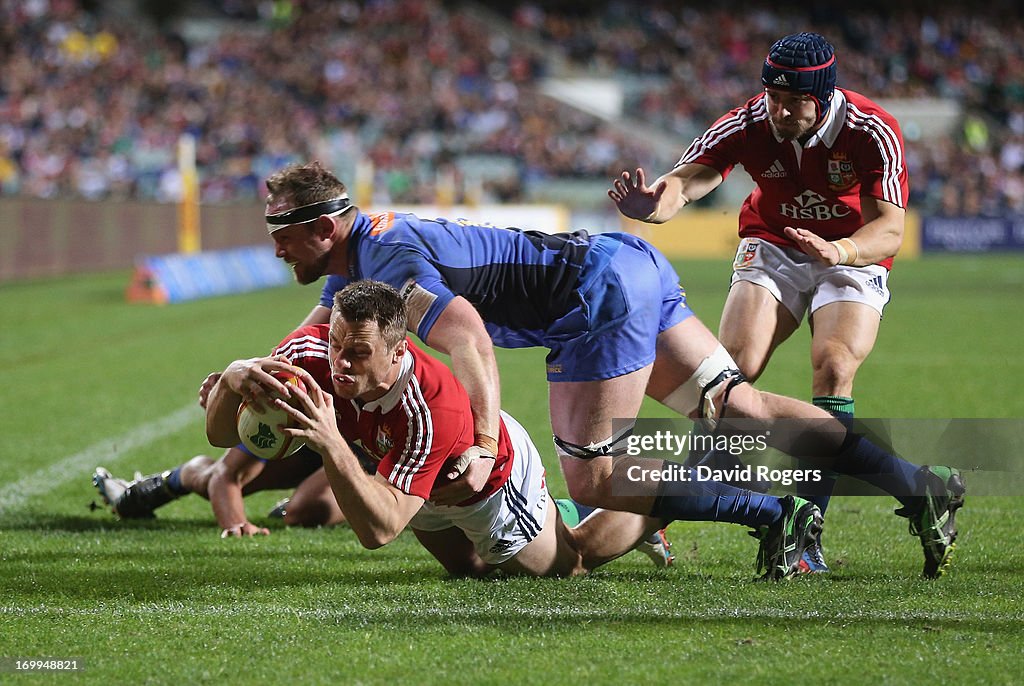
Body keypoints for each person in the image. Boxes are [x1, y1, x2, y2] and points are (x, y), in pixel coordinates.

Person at [259, 160, 962, 579]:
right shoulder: (362, 260)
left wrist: (477, 441)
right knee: (738, 408)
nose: (279, 253)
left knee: (595, 479)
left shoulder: (385, 259)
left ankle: (771, 509)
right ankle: (917, 484)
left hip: (593, 300)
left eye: (285, 239)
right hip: (626, 264)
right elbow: (311, 334)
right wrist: (248, 377)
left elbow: (468, 334)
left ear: (326, 228)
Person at [608, 32, 908, 572]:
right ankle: (664, 519)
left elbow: (890, 228)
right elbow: (689, 178)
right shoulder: (747, 122)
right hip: (772, 244)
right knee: (727, 375)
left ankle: (806, 537)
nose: (780, 111)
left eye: (796, 101)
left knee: (834, 367)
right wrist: (657, 206)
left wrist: (840, 249)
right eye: (773, 96)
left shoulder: (872, 130)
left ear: (825, 98)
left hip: (851, 250)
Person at [201, 281, 696, 577]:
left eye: (357, 353)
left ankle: (652, 505)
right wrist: (232, 378)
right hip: (412, 480)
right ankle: (569, 509)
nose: (340, 365)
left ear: (398, 353)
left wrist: (331, 443)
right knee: (469, 572)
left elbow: (380, 530)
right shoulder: (307, 357)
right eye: (335, 345)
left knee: (569, 566)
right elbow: (220, 437)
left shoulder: (428, 409)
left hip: (486, 480)